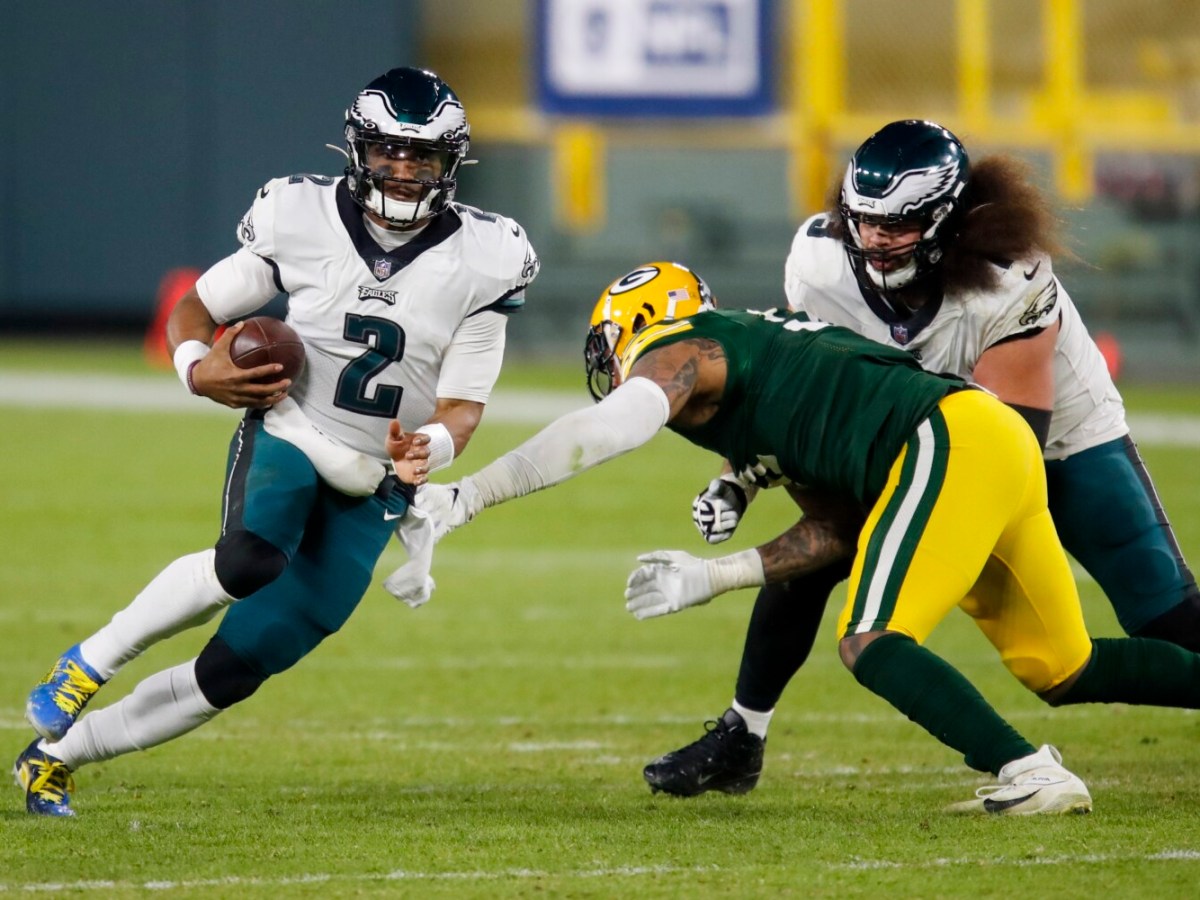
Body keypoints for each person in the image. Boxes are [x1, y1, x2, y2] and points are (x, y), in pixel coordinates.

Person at [403, 259, 1200, 815]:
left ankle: (1029, 771)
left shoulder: (685, 349)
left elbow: (606, 429)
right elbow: (834, 531)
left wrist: (468, 497)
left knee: (873, 641)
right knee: (1061, 665)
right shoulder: (767, 382)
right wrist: (714, 575)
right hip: (985, 445)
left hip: (952, 438)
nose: (614, 368)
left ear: (636, 327)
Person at [14, 66, 539, 817]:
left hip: (376, 482)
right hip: (293, 427)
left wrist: (429, 447)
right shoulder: (300, 214)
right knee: (250, 558)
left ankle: (54, 760)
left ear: (449, 164)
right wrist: (197, 370)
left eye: (421, 156)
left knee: (239, 665)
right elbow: (195, 308)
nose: (402, 169)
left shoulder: (488, 256)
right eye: (388, 150)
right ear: (357, 149)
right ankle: (85, 665)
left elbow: (461, 407)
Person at [646, 119, 1200, 799]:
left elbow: (1008, 444)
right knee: (817, 553)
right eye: (864, 220)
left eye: (899, 223)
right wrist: (742, 476)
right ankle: (743, 732)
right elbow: (796, 396)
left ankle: (1025, 768)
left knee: (1160, 615)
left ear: (947, 219)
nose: (876, 238)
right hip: (918, 438)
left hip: (1055, 441)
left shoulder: (1008, 277)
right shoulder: (821, 266)